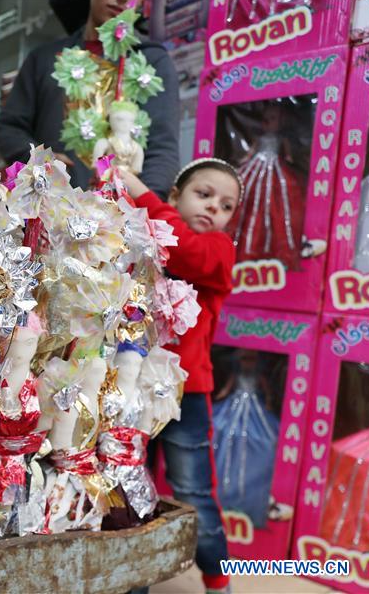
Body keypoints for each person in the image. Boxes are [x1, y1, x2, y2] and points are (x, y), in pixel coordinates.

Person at [120, 158, 242, 594]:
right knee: (131, 493)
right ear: (177, 197)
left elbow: (185, 249)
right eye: (203, 194)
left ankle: (217, 578)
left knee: (194, 493)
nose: (214, 209)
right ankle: (134, 583)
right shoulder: (147, 235)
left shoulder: (218, 250)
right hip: (131, 390)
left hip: (187, 395)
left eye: (226, 205)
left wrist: (140, 190)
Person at [0, 0, 179, 198]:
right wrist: (37, 159)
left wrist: (143, 207)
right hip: (46, 207)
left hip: (120, 217)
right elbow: (9, 128)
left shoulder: (153, 63)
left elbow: (162, 149)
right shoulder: (44, 59)